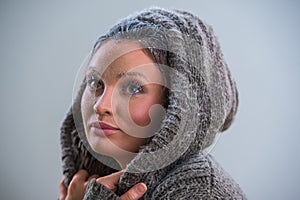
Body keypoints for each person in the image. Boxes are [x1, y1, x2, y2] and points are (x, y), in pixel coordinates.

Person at [59, 7, 247, 199]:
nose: (101, 106)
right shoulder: (90, 188)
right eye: (95, 83)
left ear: (178, 105)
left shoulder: (201, 191)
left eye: (133, 88)